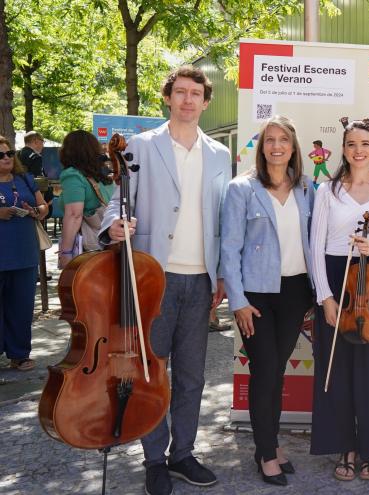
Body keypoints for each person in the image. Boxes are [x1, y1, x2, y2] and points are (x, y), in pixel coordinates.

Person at [99, 65, 231, 495]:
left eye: (196, 94)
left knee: (193, 376)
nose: (188, 100)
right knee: (151, 373)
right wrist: (113, 228)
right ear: (168, 98)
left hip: (201, 280)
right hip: (153, 279)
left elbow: (222, 220)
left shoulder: (220, 155)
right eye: (180, 92)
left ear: (206, 102)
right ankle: (154, 459)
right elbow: (118, 203)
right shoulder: (140, 146)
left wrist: (224, 275)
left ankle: (183, 454)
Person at [309, 119, 369, 482]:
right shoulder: (328, 191)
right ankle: (345, 447)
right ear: (344, 149)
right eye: (351, 144)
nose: (359, 150)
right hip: (337, 284)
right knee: (338, 372)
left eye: (365, 144)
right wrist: (326, 298)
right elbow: (315, 248)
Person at [221, 115, 314, 487]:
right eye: (269, 140)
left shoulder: (309, 189)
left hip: (295, 292)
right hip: (256, 295)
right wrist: (238, 300)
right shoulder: (241, 188)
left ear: (293, 148)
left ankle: (271, 445)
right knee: (264, 370)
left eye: (284, 140)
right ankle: (264, 452)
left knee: (277, 372)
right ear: (261, 148)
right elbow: (229, 247)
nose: (277, 146)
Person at [0, 136, 48, 372]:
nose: (7, 158)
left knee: (21, 307)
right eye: (1, 155)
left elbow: (44, 208)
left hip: (24, 254)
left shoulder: (25, 179)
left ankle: (19, 354)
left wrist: (36, 210)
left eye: (9, 153)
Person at [56, 130, 115, 269]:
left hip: (89, 249)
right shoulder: (103, 175)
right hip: (110, 244)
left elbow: (74, 215)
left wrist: (66, 252)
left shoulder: (72, 175)